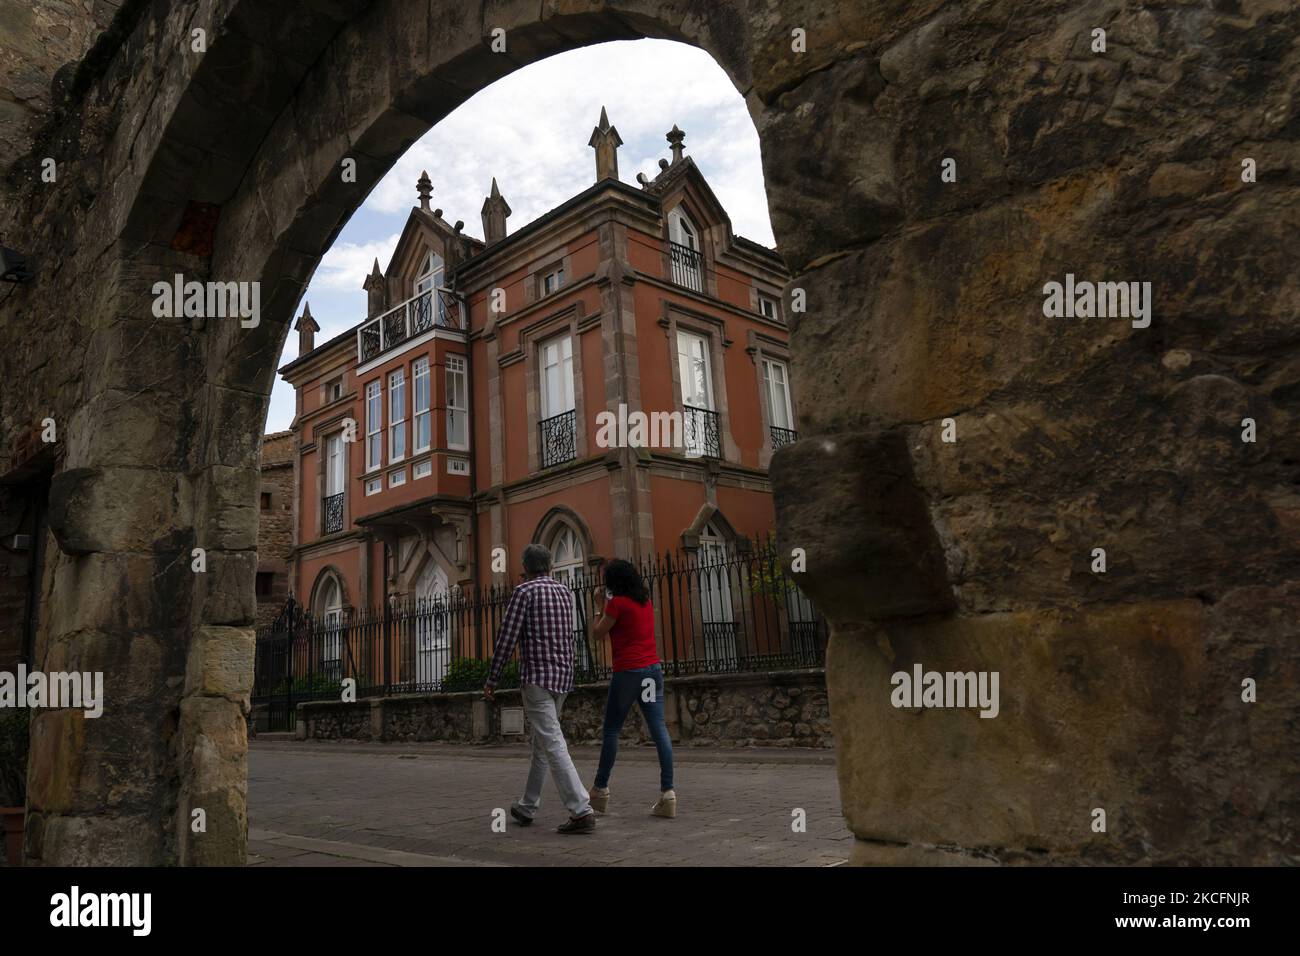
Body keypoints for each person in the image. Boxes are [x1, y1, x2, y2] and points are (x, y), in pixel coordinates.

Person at [484, 543, 596, 834]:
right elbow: (570, 634)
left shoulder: (524, 592)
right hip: (562, 676)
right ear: (549, 566)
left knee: (553, 742)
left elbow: (507, 638)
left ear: (526, 568)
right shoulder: (564, 591)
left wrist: (492, 678)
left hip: (537, 678)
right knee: (543, 744)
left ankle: (580, 808)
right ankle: (527, 805)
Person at [589, 558, 676, 818]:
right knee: (659, 728)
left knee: (612, 730)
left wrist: (598, 607)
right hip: (651, 672)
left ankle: (600, 791)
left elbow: (597, 633)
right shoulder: (645, 602)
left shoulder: (617, 604)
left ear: (613, 582)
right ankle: (668, 793)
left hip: (628, 673)